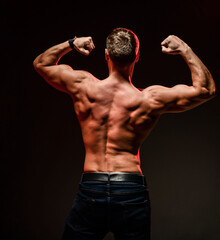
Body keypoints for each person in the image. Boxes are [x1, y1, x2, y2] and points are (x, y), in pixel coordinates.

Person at [33, 28, 216, 240]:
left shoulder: (83, 86)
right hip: (130, 188)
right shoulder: (149, 99)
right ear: (137, 56)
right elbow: (206, 89)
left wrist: (72, 43)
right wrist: (184, 48)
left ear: (106, 55)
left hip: (92, 185)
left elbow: (41, 63)